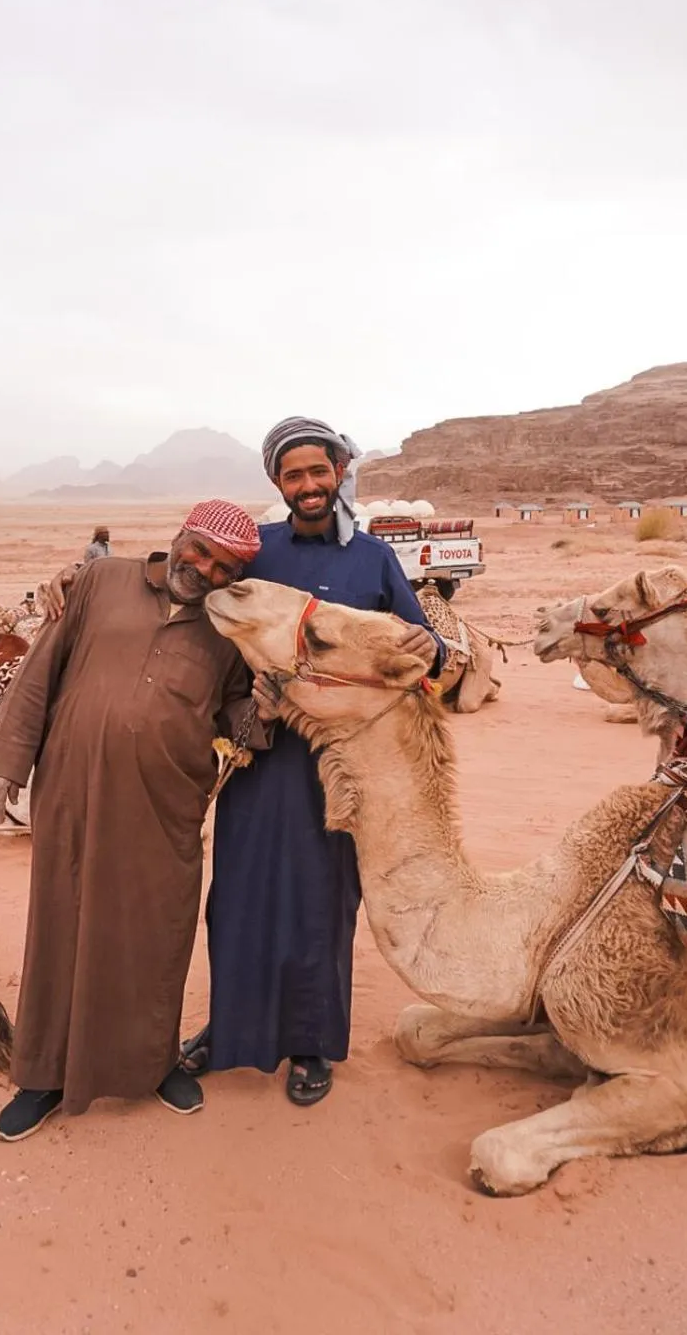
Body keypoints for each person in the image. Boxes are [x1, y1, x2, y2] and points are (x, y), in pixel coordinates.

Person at [0, 499, 265, 1142]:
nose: (205, 569)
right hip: (73, 794)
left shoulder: (228, 630)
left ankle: (153, 1063)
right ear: (180, 537)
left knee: (153, 937)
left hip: (166, 805)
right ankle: (44, 1076)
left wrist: (267, 704)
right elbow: (38, 672)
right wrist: (4, 761)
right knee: (61, 927)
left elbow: (235, 716)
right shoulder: (103, 581)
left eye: (223, 566)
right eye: (200, 550)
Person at [183, 417, 443, 1105]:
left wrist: (430, 651)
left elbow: (419, 640)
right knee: (237, 897)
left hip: (338, 769)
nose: (308, 487)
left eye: (317, 473)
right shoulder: (256, 552)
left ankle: (310, 1045)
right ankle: (230, 1030)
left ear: (338, 474)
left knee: (321, 907)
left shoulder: (373, 561)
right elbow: (188, 585)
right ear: (277, 483)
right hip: (259, 751)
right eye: (292, 476)